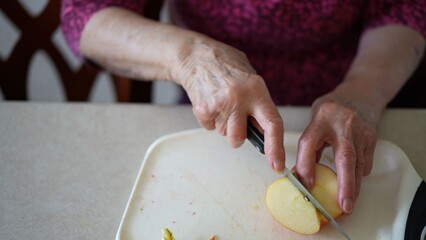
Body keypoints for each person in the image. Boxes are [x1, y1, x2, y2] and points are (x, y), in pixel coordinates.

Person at [61, 0, 426, 214]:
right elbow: (86, 14)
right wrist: (189, 58)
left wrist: (362, 92)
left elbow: (404, 6)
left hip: (368, 94)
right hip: (215, 108)